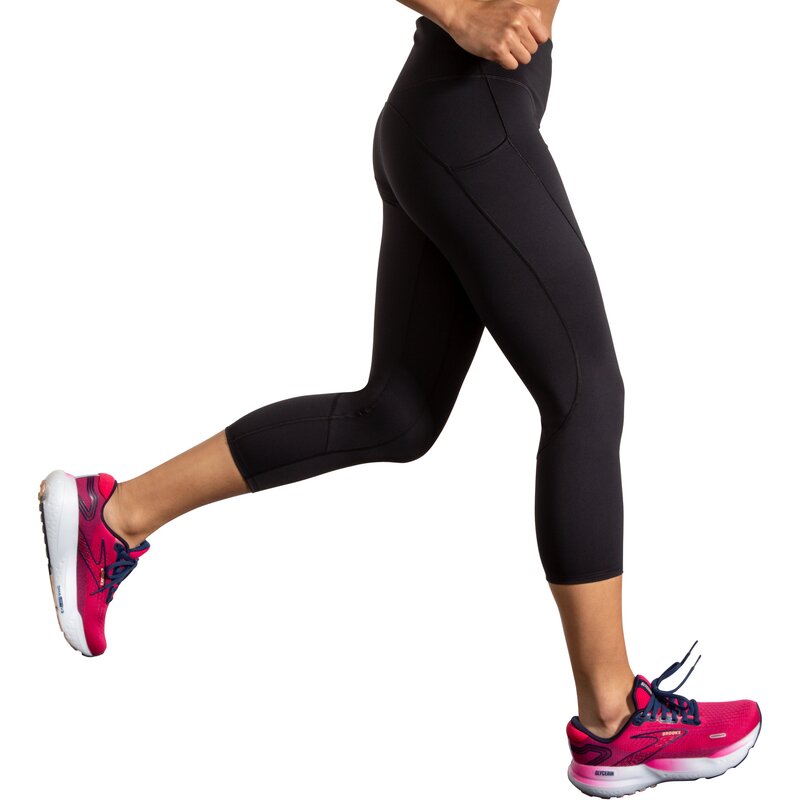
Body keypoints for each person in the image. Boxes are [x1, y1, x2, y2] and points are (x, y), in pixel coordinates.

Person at [37, 1, 761, 795]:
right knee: (585, 392)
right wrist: (457, 10)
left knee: (398, 413)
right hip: (469, 117)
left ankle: (114, 514)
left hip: (456, 119)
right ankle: (613, 720)